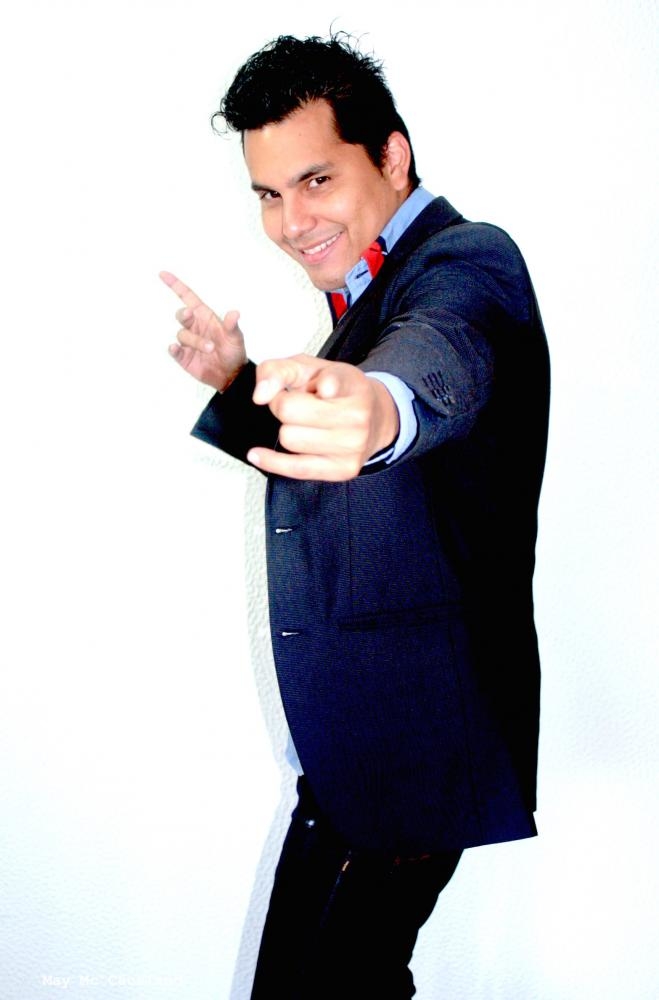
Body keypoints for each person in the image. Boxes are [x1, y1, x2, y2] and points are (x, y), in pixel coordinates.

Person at [161, 32, 550, 999]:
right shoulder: (370, 287)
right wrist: (238, 382)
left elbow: (436, 360)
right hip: (361, 745)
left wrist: (384, 411)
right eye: (267, 193)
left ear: (391, 156)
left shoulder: (463, 259)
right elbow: (337, 438)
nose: (290, 222)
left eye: (316, 180)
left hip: (416, 739)